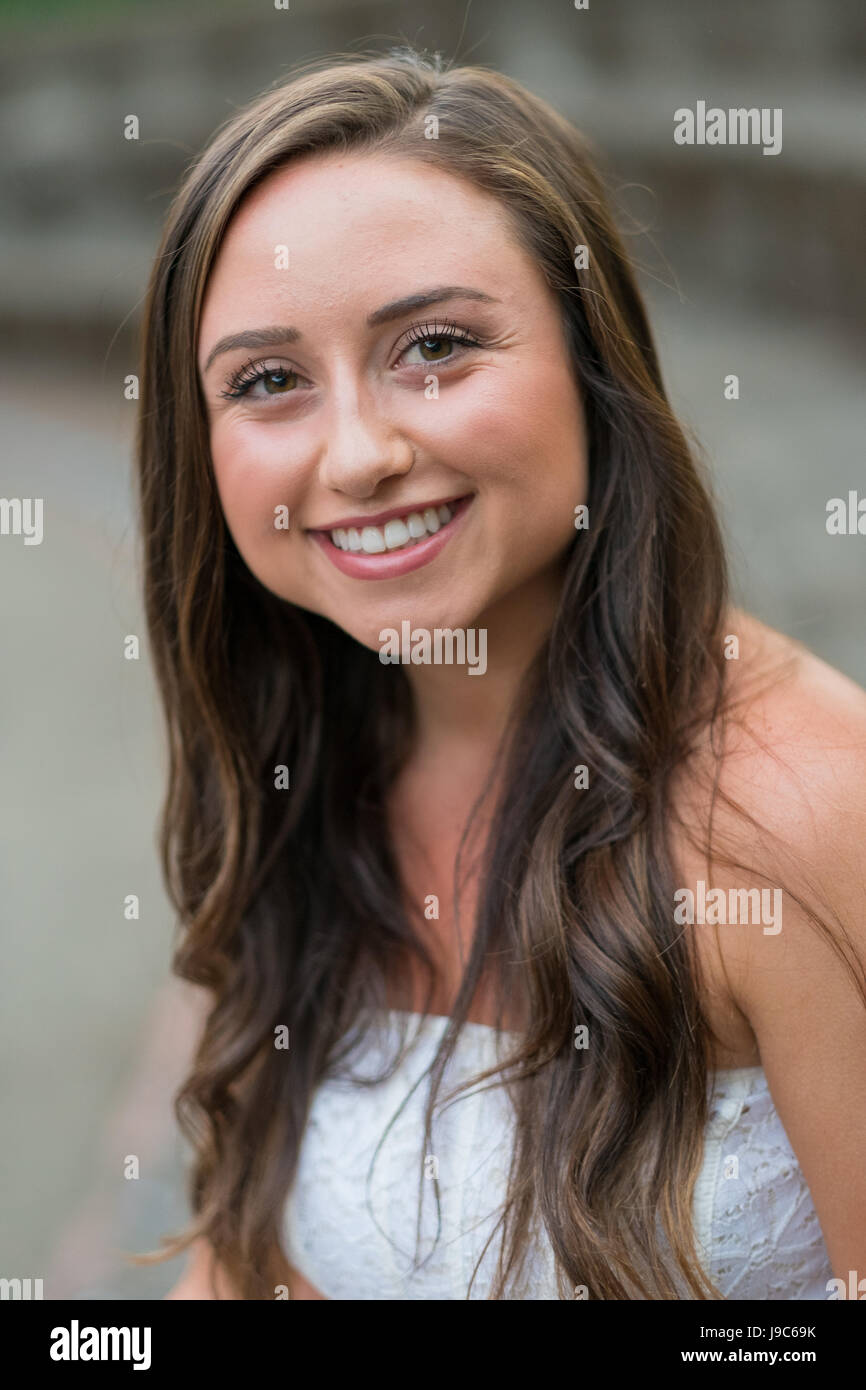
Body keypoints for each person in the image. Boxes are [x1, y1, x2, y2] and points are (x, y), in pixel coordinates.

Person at [133, 48, 866, 1300]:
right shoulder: (301, 772)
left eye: (432, 346)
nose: (358, 454)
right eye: (267, 381)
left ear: (592, 361)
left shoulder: (806, 810)